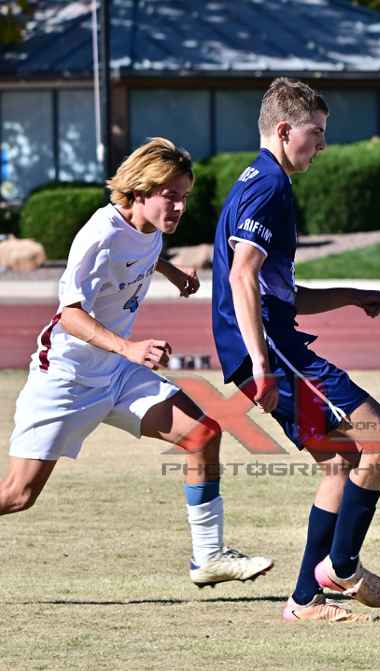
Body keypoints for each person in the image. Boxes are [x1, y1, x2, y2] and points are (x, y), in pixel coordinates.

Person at [2, 137, 272, 587]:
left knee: (203, 433)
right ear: (140, 191)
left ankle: (208, 557)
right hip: (66, 378)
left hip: (117, 374)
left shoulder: (149, 227)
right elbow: (70, 315)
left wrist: (170, 271)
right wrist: (128, 348)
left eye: (184, 196)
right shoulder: (100, 235)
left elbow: (142, 249)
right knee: (17, 495)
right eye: (171, 195)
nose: (179, 206)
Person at [212, 77, 380, 622]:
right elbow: (242, 276)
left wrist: (350, 295)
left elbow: (280, 292)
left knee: (340, 463)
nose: (321, 145)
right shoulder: (269, 187)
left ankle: (304, 600)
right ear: (283, 130)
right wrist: (263, 364)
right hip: (274, 352)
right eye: (315, 133)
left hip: (271, 345)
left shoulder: (259, 179)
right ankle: (342, 567)